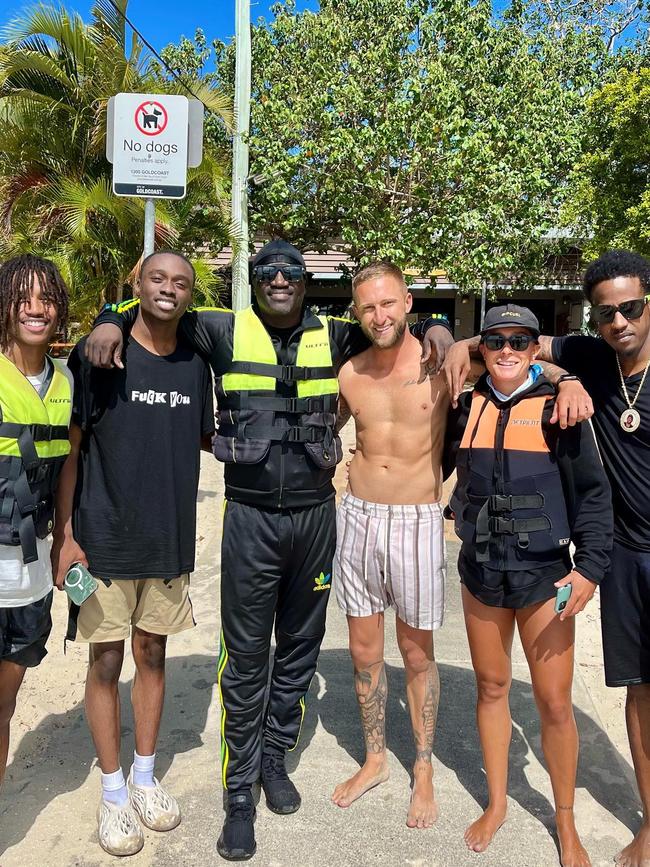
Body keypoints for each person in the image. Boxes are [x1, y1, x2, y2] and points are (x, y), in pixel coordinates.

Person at [83, 240, 455, 861]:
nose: (280, 279)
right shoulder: (220, 330)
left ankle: (274, 760)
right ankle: (238, 795)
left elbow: (392, 321)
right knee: (247, 658)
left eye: (291, 272)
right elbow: (157, 303)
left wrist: (437, 324)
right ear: (255, 281)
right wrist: (106, 318)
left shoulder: (338, 335)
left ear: (306, 284)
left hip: (314, 519)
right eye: (268, 272)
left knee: (300, 653)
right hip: (251, 519)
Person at [444, 252, 650, 867]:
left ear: (537, 348)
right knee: (491, 686)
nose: (508, 350)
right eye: (496, 341)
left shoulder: (564, 409)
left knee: (555, 703)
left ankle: (565, 821)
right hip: (482, 573)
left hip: (544, 577)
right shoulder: (465, 404)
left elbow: (593, 494)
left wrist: (588, 569)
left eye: (521, 340)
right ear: (483, 348)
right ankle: (499, 801)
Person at [52, 251, 214, 857]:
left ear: (189, 294)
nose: (168, 289)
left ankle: (145, 778)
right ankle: (113, 791)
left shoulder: (197, 365)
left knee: (153, 653)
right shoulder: (101, 355)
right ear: (136, 287)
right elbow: (71, 452)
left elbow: (202, 436)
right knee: (104, 662)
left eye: (180, 282)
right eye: (157, 279)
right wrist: (65, 536)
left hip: (167, 540)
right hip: (103, 541)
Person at [330, 262, 449, 830]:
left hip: (418, 519)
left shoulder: (443, 364)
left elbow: (516, 351)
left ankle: (422, 766)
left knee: (417, 651)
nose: (379, 316)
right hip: (358, 515)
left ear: (407, 301)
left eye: (388, 303)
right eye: (367, 308)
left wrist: (568, 380)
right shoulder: (348, 373)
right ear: (357, 313)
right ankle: (376, 756)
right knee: (362, 648)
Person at [0, 254, 72, 786]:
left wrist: (65, 537)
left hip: (29, 575)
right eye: (23, 297)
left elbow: (67, 471)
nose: (35, 309)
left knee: (4, 703)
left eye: (46, 298)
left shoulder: (64, 382)